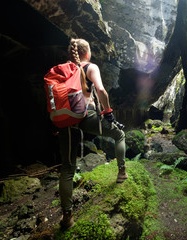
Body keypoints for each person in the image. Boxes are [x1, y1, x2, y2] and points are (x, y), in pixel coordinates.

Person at [58, 38, 128, 229]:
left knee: (67, 169)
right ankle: (122, 172)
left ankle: (67, 217)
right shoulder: (90, 67)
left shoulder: (63, 70)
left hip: (65, 119)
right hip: (86, 115)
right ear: (87, 52)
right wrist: (108, 111)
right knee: (119, 135)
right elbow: (101, 90)